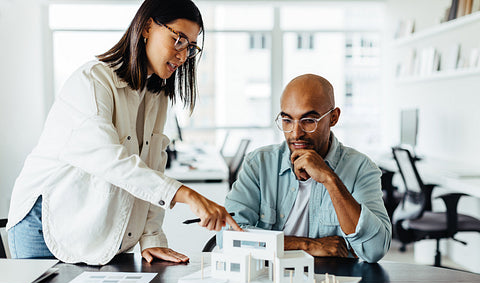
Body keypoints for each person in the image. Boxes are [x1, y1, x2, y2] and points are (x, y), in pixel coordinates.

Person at [7, 0, 241, 266]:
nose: (183, 55)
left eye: (190, 47)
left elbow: (153, 165)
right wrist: (188, 194)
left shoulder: (156, 95)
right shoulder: (92, 80)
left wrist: (152, 237)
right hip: (45, 223)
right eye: (178, 40)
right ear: (147, 28)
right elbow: (109, 160)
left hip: (90, 230)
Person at [224, 74, 391, 263]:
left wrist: (330, 179)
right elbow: (228, 236)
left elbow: (374, 249)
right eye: (287, 120)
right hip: (267, 280)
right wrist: (307, 245)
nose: (296, 133)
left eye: (309, 120)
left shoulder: (361, 168)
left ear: (334, 117)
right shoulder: (259, 163)